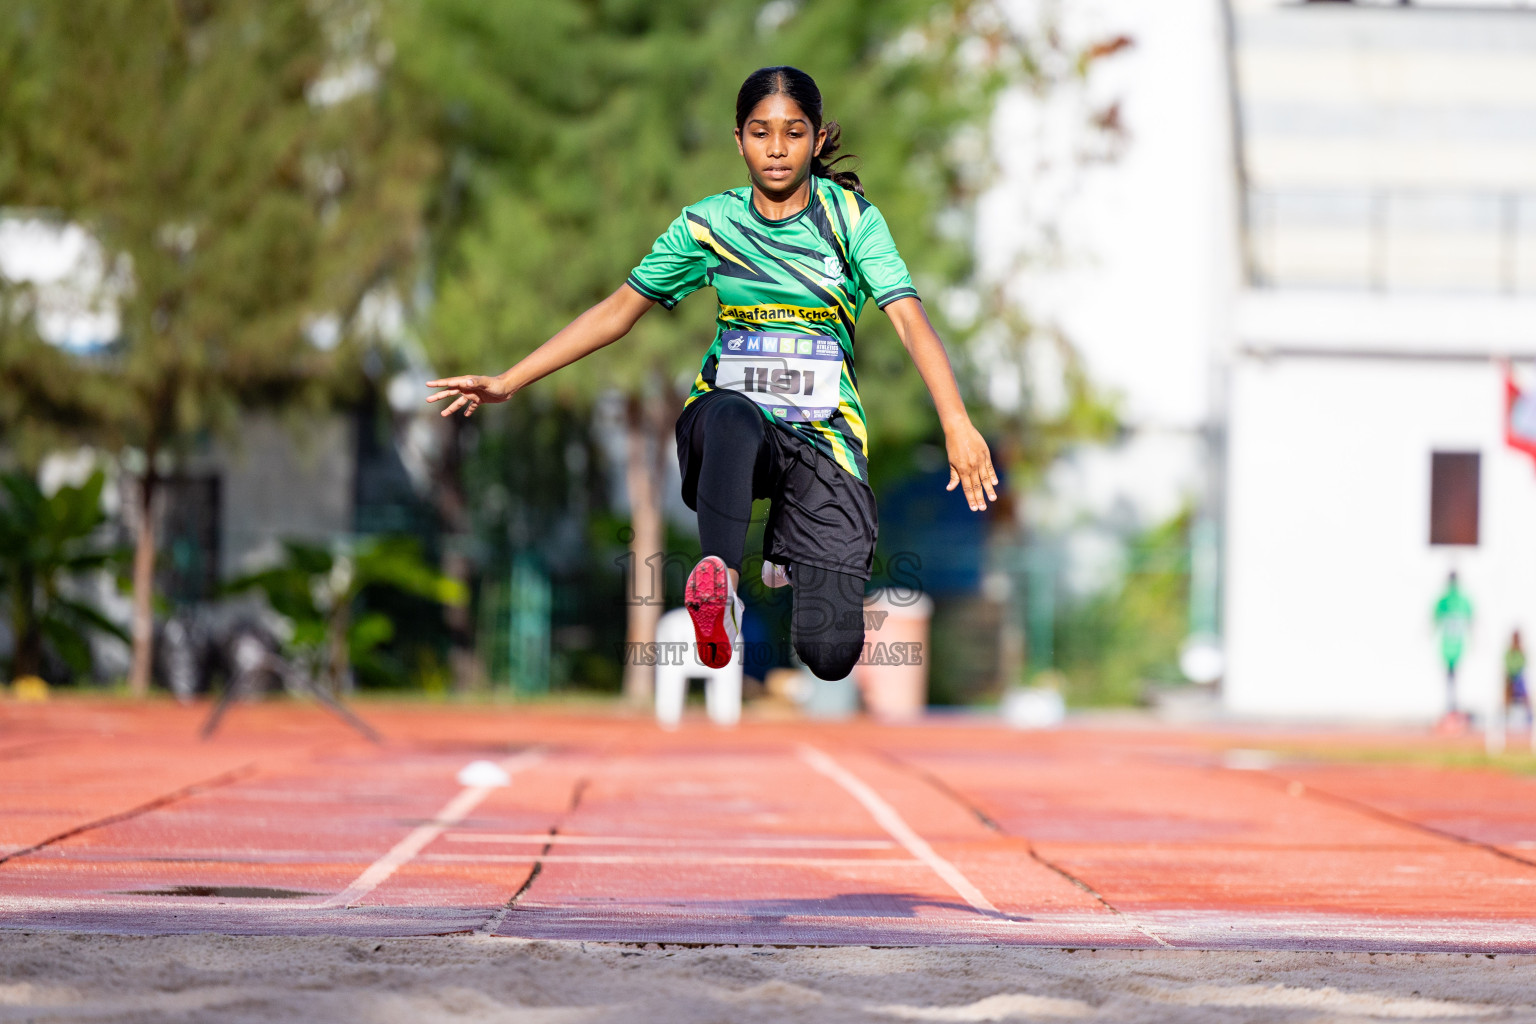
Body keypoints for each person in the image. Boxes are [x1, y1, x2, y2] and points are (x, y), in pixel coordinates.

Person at [425, 66, 996, 680]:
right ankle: (718, 586)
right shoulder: (709, 225)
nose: (776, 149)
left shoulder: (853, 221)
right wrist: (511, 380)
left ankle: (789, 536)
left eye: (793, 133)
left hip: (824, 438)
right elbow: (619, 311)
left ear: (818, 139)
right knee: (728, 410)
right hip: (731, 431)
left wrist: (956, 423)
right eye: (760, 132)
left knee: (830, 656)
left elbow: (910, 321)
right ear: (739, 140)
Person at [1433, 571, 1473, 719]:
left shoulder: (1457, 600)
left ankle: (1453, 708)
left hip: (1454, 646)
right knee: (1450, 677)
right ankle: (1451, 708)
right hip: (1450, 646)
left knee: (1452, 677)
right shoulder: (1446, 600)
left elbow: (1470, 620)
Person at [1506, 630, 1530, 733]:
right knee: (1508, 689)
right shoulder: (1509, 653)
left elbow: (1523, 665)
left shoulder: (1522, 652)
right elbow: (1508, 666)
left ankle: (1529, 718)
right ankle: (1506, 716)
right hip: (1510, 679)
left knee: (1525, 694)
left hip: (1519, 679)